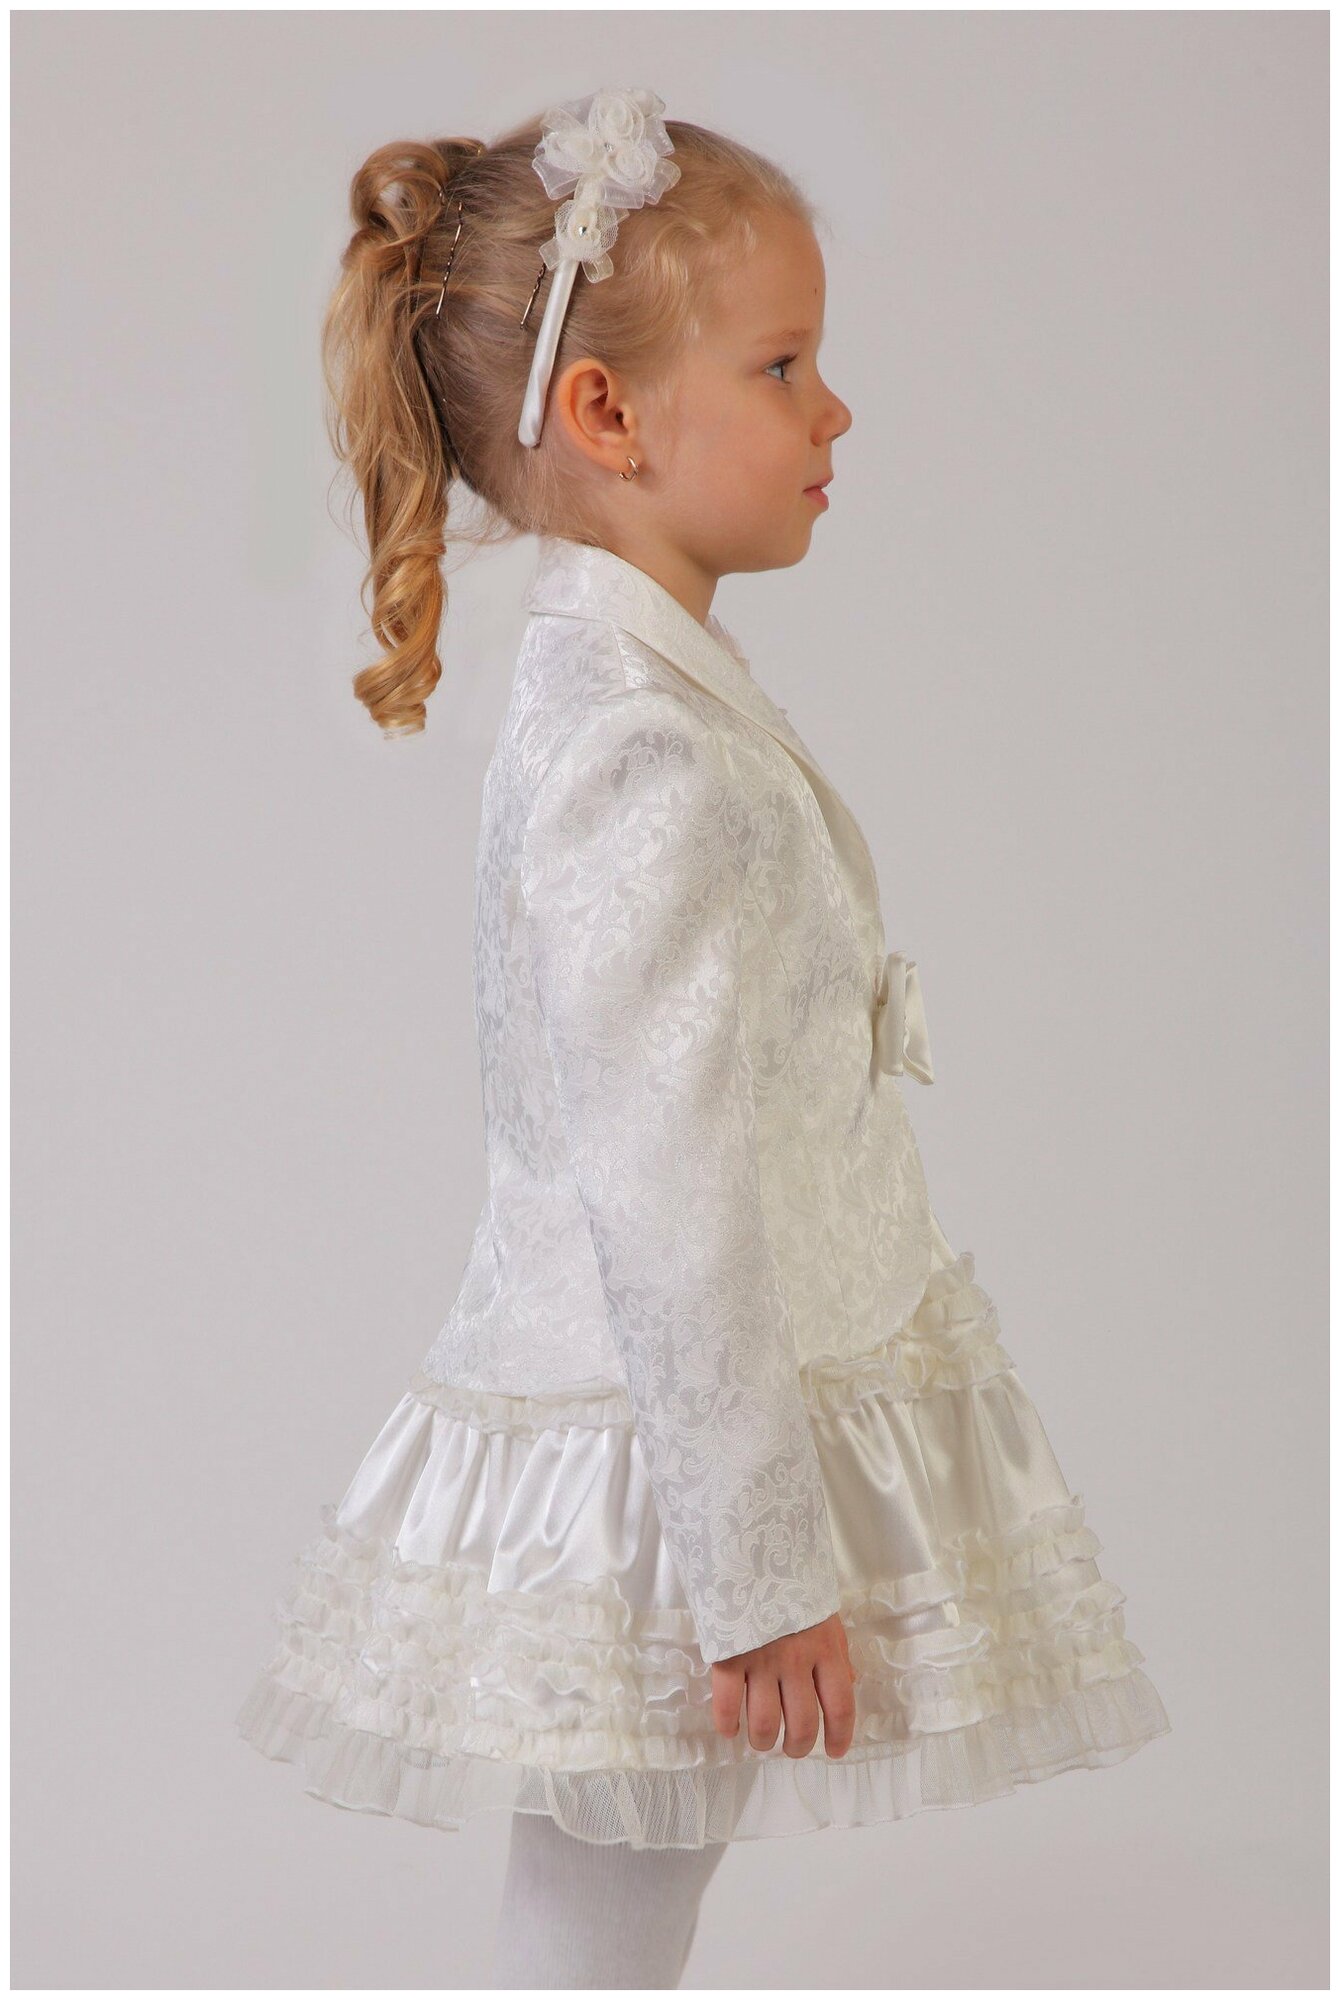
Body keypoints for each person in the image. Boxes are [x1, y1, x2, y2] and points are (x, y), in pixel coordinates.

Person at [235, 84, 1171, 1989]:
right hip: (660, 1444)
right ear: (608, 414)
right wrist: (757, 1569)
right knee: (609, 1896)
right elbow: (656, 1175)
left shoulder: (650, 694)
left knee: (628, 1889)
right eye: (784, 365)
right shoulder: (637, 750)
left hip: (673, 1418)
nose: (836, 413)